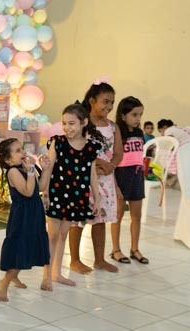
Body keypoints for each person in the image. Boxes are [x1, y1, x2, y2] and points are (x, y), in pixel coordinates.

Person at [40, 104, 101, 287]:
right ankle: (46, 275)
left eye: (72, 123)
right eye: (64, 123)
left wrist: (97, 198)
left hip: (76, 195)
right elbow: (49, 168)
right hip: (57, 193)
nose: (67, 127)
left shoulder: (91, 147)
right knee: (52, 235)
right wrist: (45, 193)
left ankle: (56, 273)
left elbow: (92, 174)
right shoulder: (58, 142)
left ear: (84, 122)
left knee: (63, 234)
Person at [68, 80, 123, 274]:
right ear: (92, 101)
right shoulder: (82, 124)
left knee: (100, 219)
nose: (109, 106)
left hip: (105, 180)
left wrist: (111, 166)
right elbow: (76, 149)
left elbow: (118, 152)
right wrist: (99, 163)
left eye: (112, 103)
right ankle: (74, 260)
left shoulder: (112, 127)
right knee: (79, 220)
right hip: (83, 179)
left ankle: (99, 260)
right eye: (105, 101)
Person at [0, 138, 52, 298]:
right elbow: (27, 191)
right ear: (8, 160)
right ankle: (4, 282)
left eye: (22, 148)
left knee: (28, 245)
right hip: (23, 215)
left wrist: (45, 170)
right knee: (21, 248)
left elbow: (40, 187)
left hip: (34, 212)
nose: (23, 152)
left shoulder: (24, 168)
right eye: (18, 151)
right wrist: (31, 170)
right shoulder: (13, 172)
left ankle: (14, 277)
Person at [110, 96, 149, 265]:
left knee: (136, 216)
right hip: (121, 177)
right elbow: (113, 159)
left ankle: (135, 249)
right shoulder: (117, 134)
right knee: (118, 215)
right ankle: (115, 250)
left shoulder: (139, 134)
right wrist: (115, 185)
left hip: (136, 177)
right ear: (123, 115)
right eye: (134, 115)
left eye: (140, 114)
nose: (138, 118)